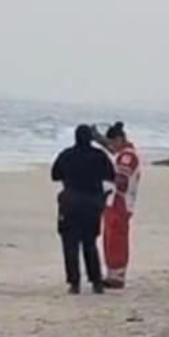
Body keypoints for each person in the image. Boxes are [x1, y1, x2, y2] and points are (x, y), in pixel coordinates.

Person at [51, 125, 114, 294]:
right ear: (91, 139)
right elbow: (111, 176)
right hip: (92, 202)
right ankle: (96, 282)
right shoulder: (99, 156)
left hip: (70, 201)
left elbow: (55, 175)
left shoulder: (66, 155)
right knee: (90, 243)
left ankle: (74, 283)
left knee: (70, 243)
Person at [102, 122, 142, 289]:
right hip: (114, 201)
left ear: (119, 139)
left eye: (112, 143)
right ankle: (112, 272)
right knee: (110, 237)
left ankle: (117, 275)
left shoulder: (127, 156)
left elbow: (122, 181)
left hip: (120, 201)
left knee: (117, 238)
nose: (111, 146)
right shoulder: (122, 155)